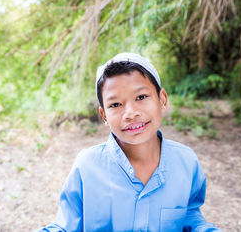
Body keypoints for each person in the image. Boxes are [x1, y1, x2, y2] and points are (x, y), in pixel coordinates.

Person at [38, 53, 222, 231]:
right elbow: (65, 225)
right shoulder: (87, 167)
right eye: (115, 105)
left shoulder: (186, 162)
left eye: (141, 97)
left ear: (162, 100)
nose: (130, 113)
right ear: (104, 116)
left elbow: (190, 216)